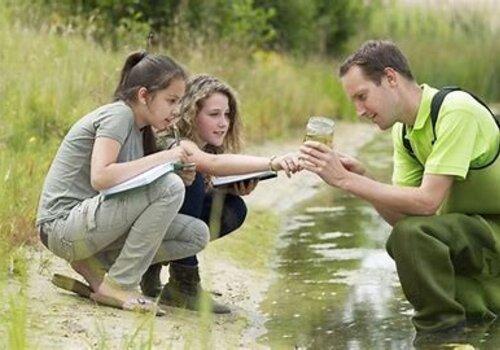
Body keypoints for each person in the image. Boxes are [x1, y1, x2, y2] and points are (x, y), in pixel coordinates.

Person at [299, 40, 500, 340]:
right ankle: (461, 324)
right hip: (474, 236)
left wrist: (345, 180)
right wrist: (362, 179)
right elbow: (405, 220)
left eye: (362, 96)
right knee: (404, 238)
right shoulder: (403, 132)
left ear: (391, 78)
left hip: (489, 232)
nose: (358, 111)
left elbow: (428, 203)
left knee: (411, 237)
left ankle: (441, 337)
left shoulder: (456, 111)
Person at [36, 51, 211, 314]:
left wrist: (175, 172)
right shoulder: (119, 115)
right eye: (171, 100)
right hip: (61, 227)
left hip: (90, 227)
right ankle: (118, 285)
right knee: (169, 188)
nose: (177, 111)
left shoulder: (141, 131)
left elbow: (130, 189)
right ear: (143, 95)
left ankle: (94, 268)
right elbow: (102, 176)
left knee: (196, 234)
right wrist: (166, 158)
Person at [140, 74, 300, 313]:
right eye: (214, 114)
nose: (223, 122)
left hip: (160, 225)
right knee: (191, 177)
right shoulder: (172, 141)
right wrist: (273, 162)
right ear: (191, 114)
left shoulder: (203, 146)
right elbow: (210, 163)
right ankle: (184, 283)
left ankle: (155, 267)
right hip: (136, 229)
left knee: (232, 207)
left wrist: (227, 188)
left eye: (227, 115)